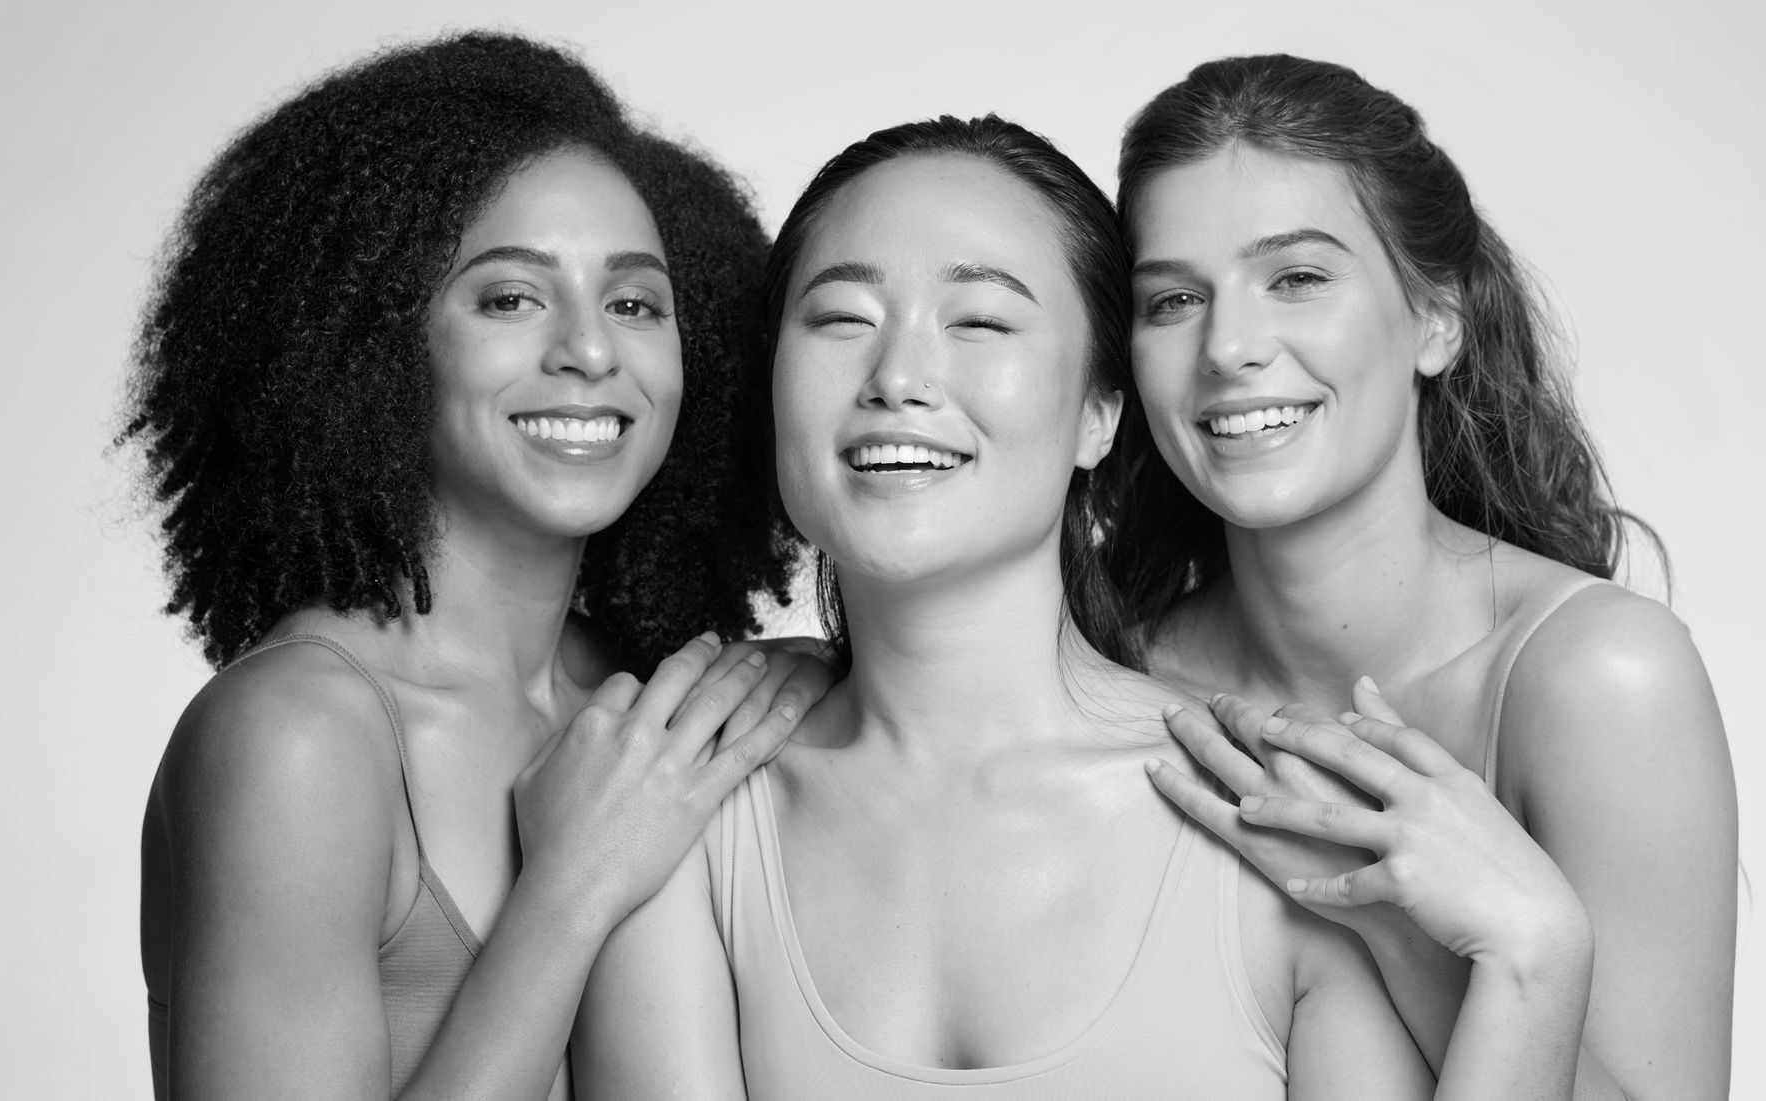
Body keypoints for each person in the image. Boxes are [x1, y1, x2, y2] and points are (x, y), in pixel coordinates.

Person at [575, 114, 1596, 1099]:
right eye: (842, 318)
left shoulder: (1283, 823)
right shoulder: (673, 805)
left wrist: (1533, 955)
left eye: (979, 321)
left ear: (1099, 416)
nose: (898, 377)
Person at [126, 32, 829, 1100]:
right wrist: (573, 885)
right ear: (370, 341)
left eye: (636, 303)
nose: (592, 352)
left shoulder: (640, 697)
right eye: (510, 298)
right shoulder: (299, 740)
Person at [1114, 55, 1738, 1100]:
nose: (1229, 347)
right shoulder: (1110, 680)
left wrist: (1407, 934)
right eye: (1173, 299)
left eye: (1299, 278)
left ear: (1437, 318)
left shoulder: (1599, 679)